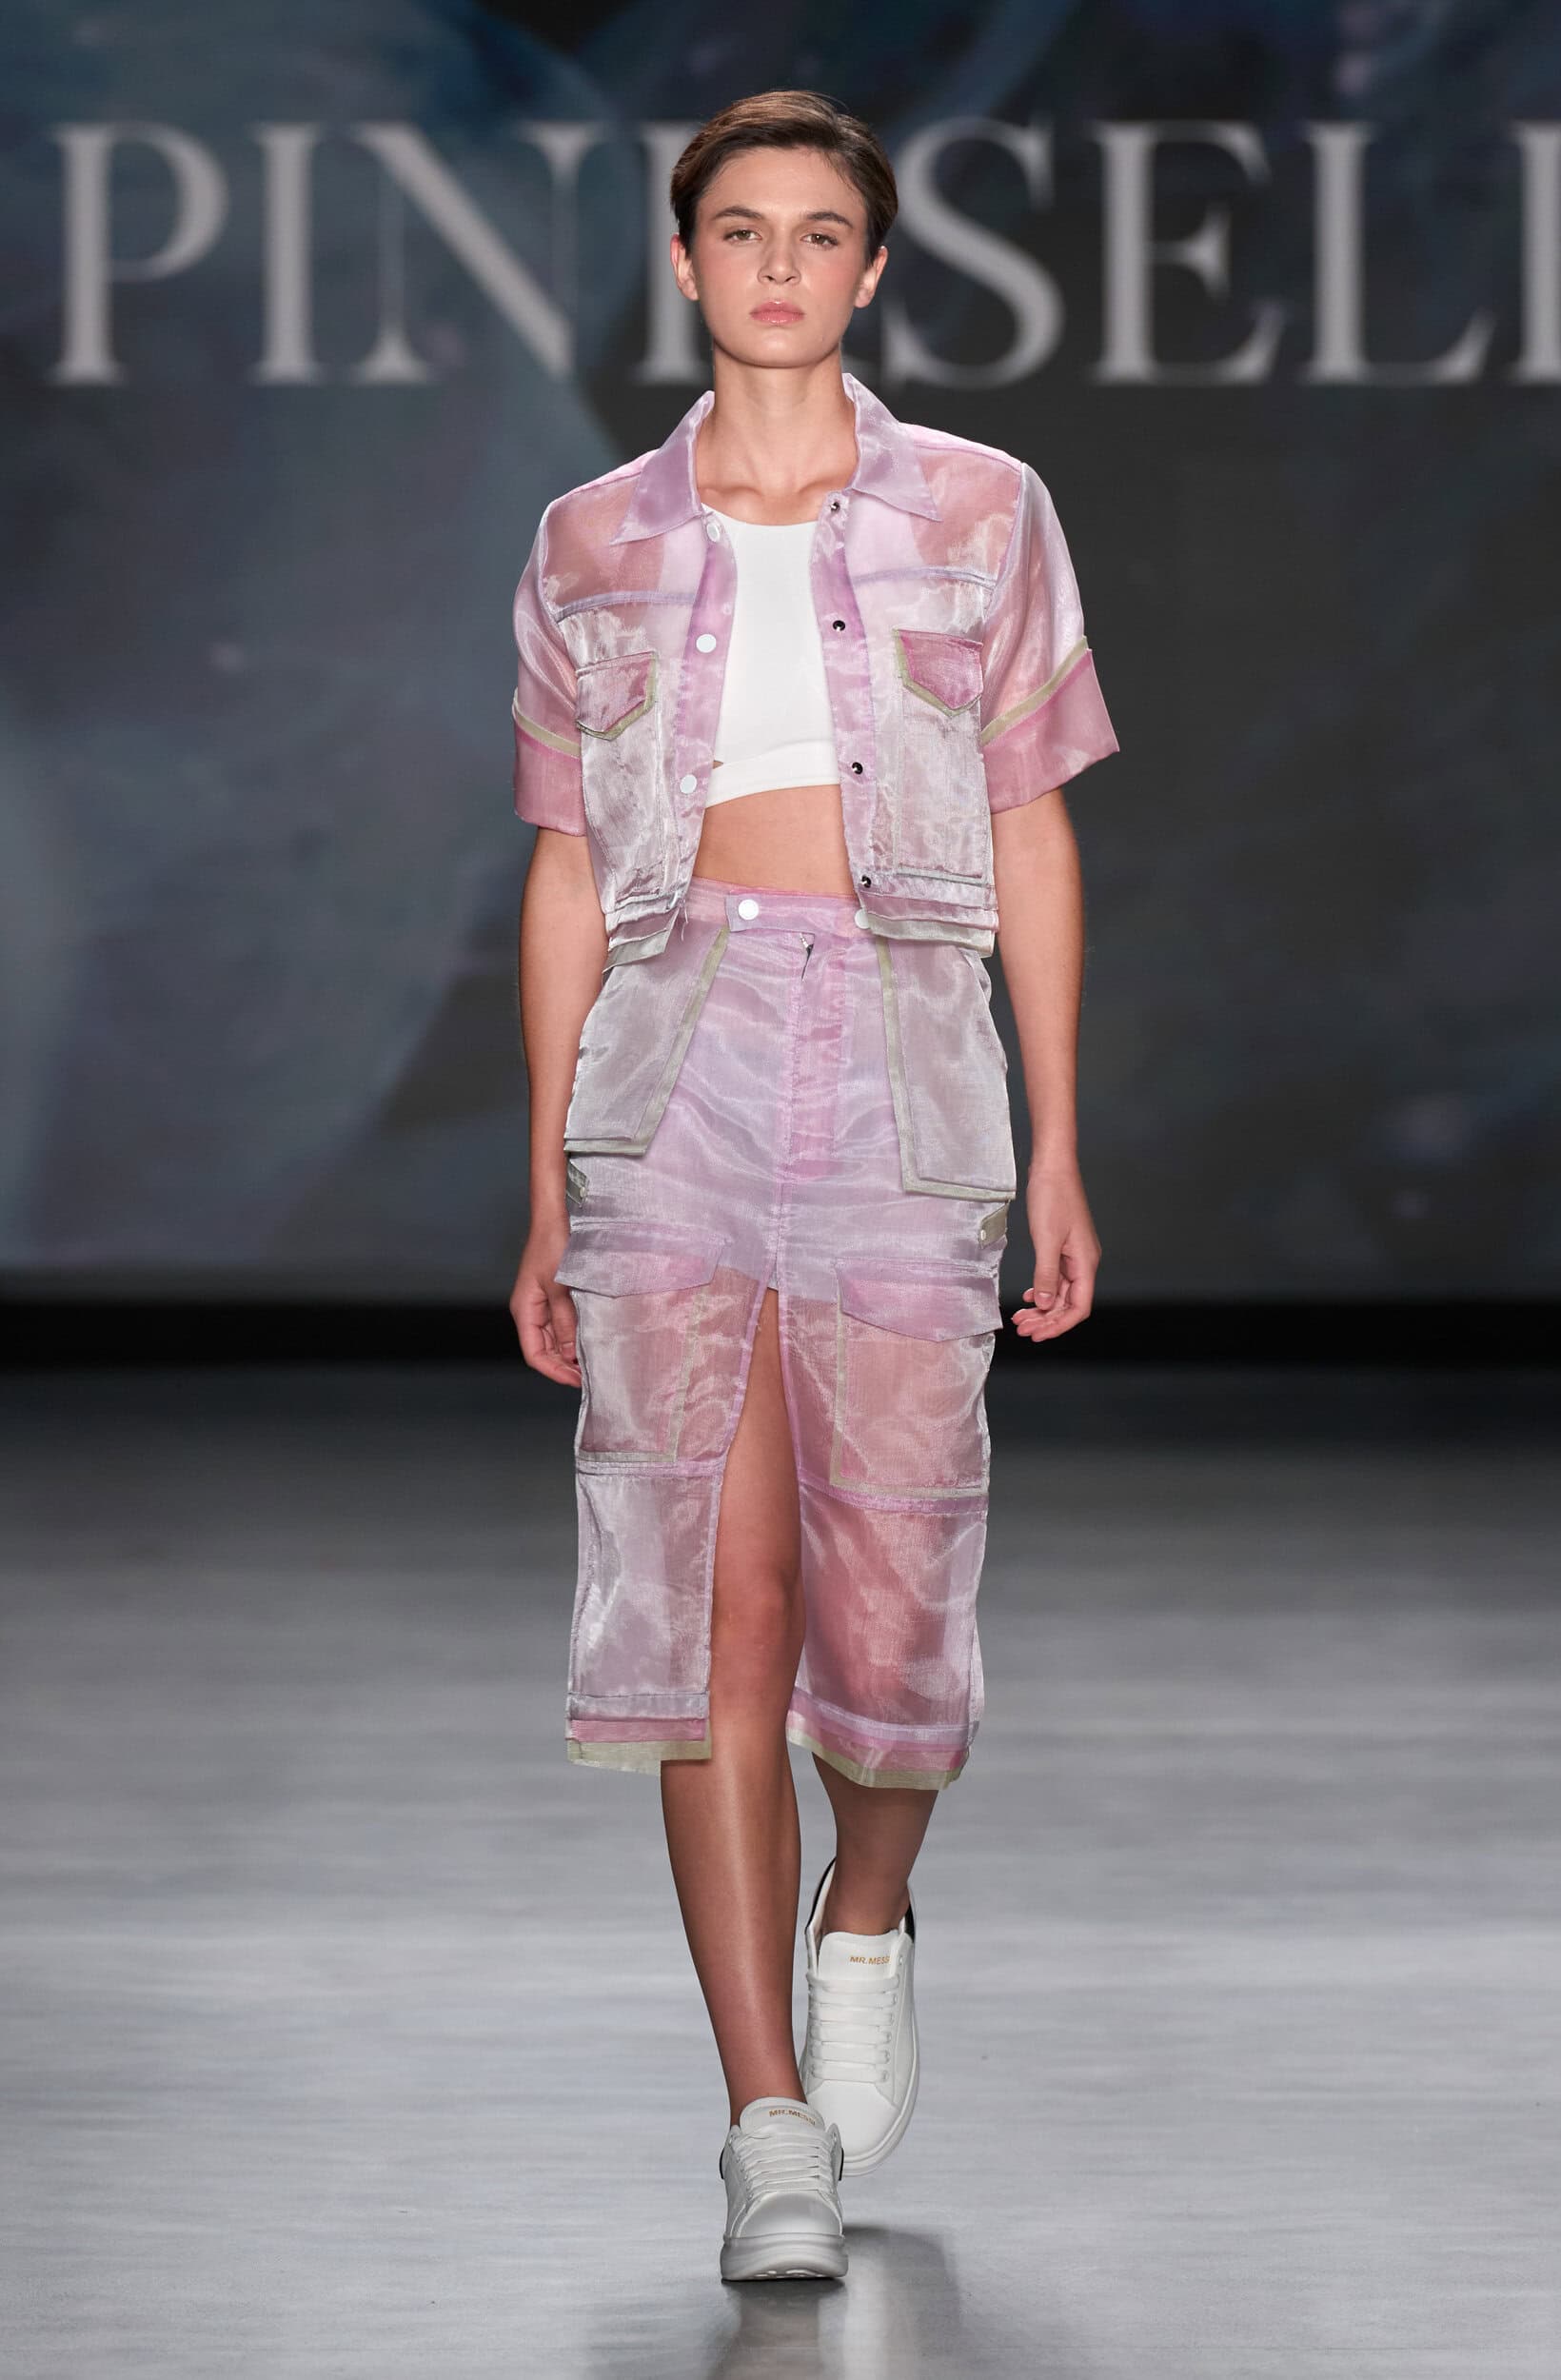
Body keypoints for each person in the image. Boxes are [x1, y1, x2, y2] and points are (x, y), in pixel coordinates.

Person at [507, 89, 1119, 2284]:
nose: (780, 265)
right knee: (716, 1605)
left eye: (821, 232)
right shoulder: (591, 535)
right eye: (743, 229)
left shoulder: (983, 507)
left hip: (902, 1063)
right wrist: (544, 1177)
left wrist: (1060, 1134)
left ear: (871, 268)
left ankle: (869, 1911)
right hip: (672, 1071)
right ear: (687, 264)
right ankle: (765, 2119)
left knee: (894, 1605)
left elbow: (1032, 825)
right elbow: (563, 864)